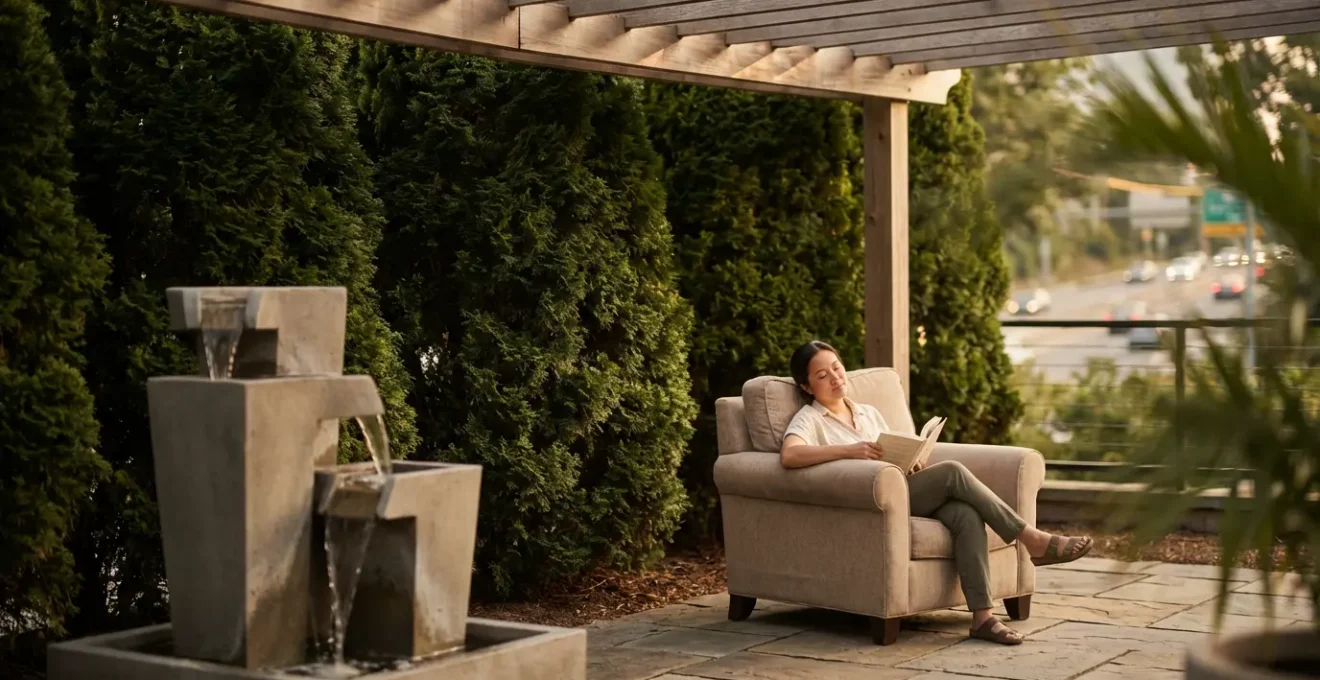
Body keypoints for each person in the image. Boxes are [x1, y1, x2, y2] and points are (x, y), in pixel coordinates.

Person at [780, 340, 1092, 645]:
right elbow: (790, 456)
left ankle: (983, 618)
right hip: (875, 503)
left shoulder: (867, 412)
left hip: (903, 489)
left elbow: (893, 451)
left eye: (837, 368)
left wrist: (914, 460)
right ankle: (1032, 539)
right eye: (822, 376)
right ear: (807, 387)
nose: (835, 378)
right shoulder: (809, 419)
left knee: (966, 515)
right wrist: (849, 451)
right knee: (953, 471)